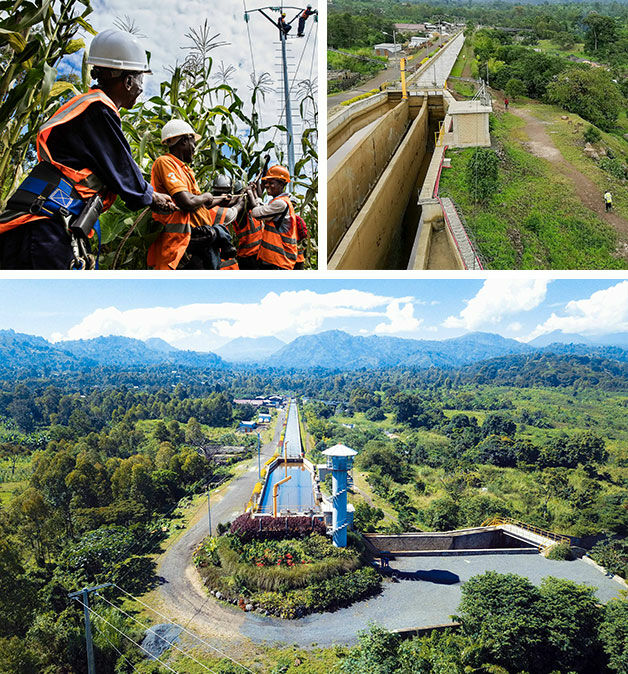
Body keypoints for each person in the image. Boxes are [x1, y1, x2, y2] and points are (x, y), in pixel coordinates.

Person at [0, 29, 175, 269]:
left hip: (37, 219)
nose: (141, 88)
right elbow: (123, 171)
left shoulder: (89, 108)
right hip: (44, 225)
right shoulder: (98, 109)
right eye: (140, 79)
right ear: (127, 80)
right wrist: (151, 196)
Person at [148, 120, 238, 270]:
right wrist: (206, 196)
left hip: (198, 242)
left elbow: (198, 202)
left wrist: (220, 199)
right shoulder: (166, 162)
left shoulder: (185, 169)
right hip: (181, 243)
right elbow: (187, 203)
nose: (195, 149)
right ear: (183, 141)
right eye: (193, 143)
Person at [245, 165, 298, 270]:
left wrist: (250, 193)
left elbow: (256, 212)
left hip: (279, 261)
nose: (267, 186)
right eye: (266, 183)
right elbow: (262, 206)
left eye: (271, 183)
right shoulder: (279, 201)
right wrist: (255, 193)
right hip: (275, 260)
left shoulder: (280, 204)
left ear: (282, 184)